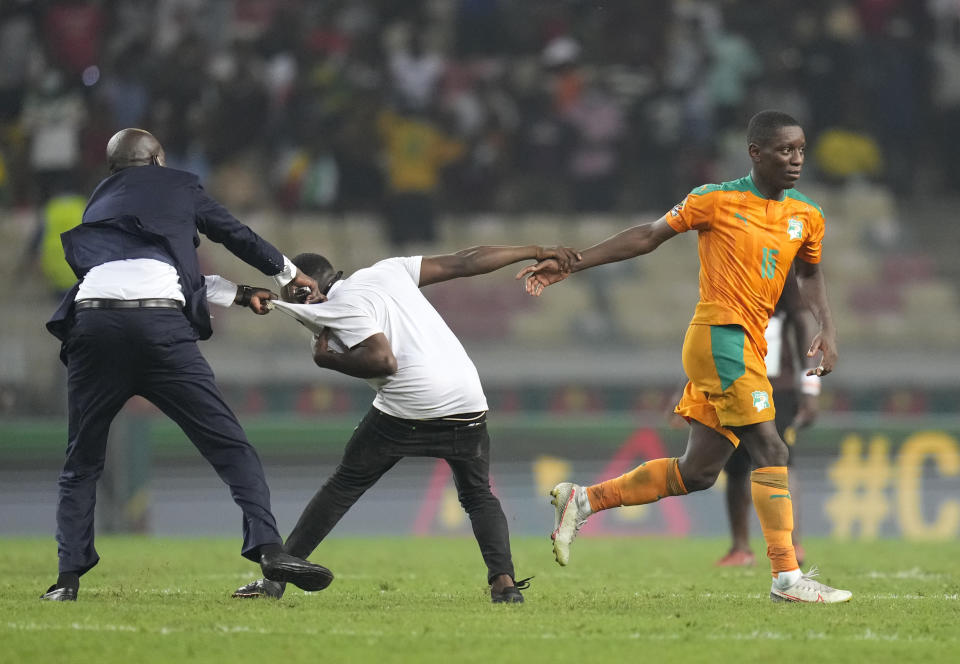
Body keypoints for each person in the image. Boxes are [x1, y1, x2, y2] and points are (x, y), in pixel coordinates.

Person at [519, 110, 852, 603]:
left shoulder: (807, 214)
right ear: (755, 153)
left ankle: (584, 499)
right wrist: (576, 263)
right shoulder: (714, 200)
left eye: (801, 149)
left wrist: (826, 324)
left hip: (747, 346)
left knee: (697, 473)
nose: (796, 159)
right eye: (785, 150)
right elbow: (647, 236)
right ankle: (787, 577)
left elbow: (808, 273)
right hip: (720, 336)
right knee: (772, 448)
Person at [41, 128, 333, 601]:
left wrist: (240, 294)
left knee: (82, 461)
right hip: (160, 329)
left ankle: (66, 581)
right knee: (231, 448)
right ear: (158, 160)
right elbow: (234, 235)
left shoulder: (99, 200)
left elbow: (154, 269)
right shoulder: (178, 185)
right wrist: (288, 274)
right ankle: (268, 547)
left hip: (93, 324)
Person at [231, 243, 579, 603]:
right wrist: (532, 249)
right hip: (467, 397)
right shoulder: (387, 269)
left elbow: (384, 361)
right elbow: (465, 262)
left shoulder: (336, 306)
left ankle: (275, 581)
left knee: (344, 484)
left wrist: (329, 361)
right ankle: (504, 585)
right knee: (478, 495)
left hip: (411, 405)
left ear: (305, 287)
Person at [715, 264, 819, 567]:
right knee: (734, 465)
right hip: (734, 378)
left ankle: (792, 542)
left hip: (777, 383)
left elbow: (801, 321)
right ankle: (740, 548)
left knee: (783, 457)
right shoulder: (722, 265)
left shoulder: (778, 264)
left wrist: (810, 385)